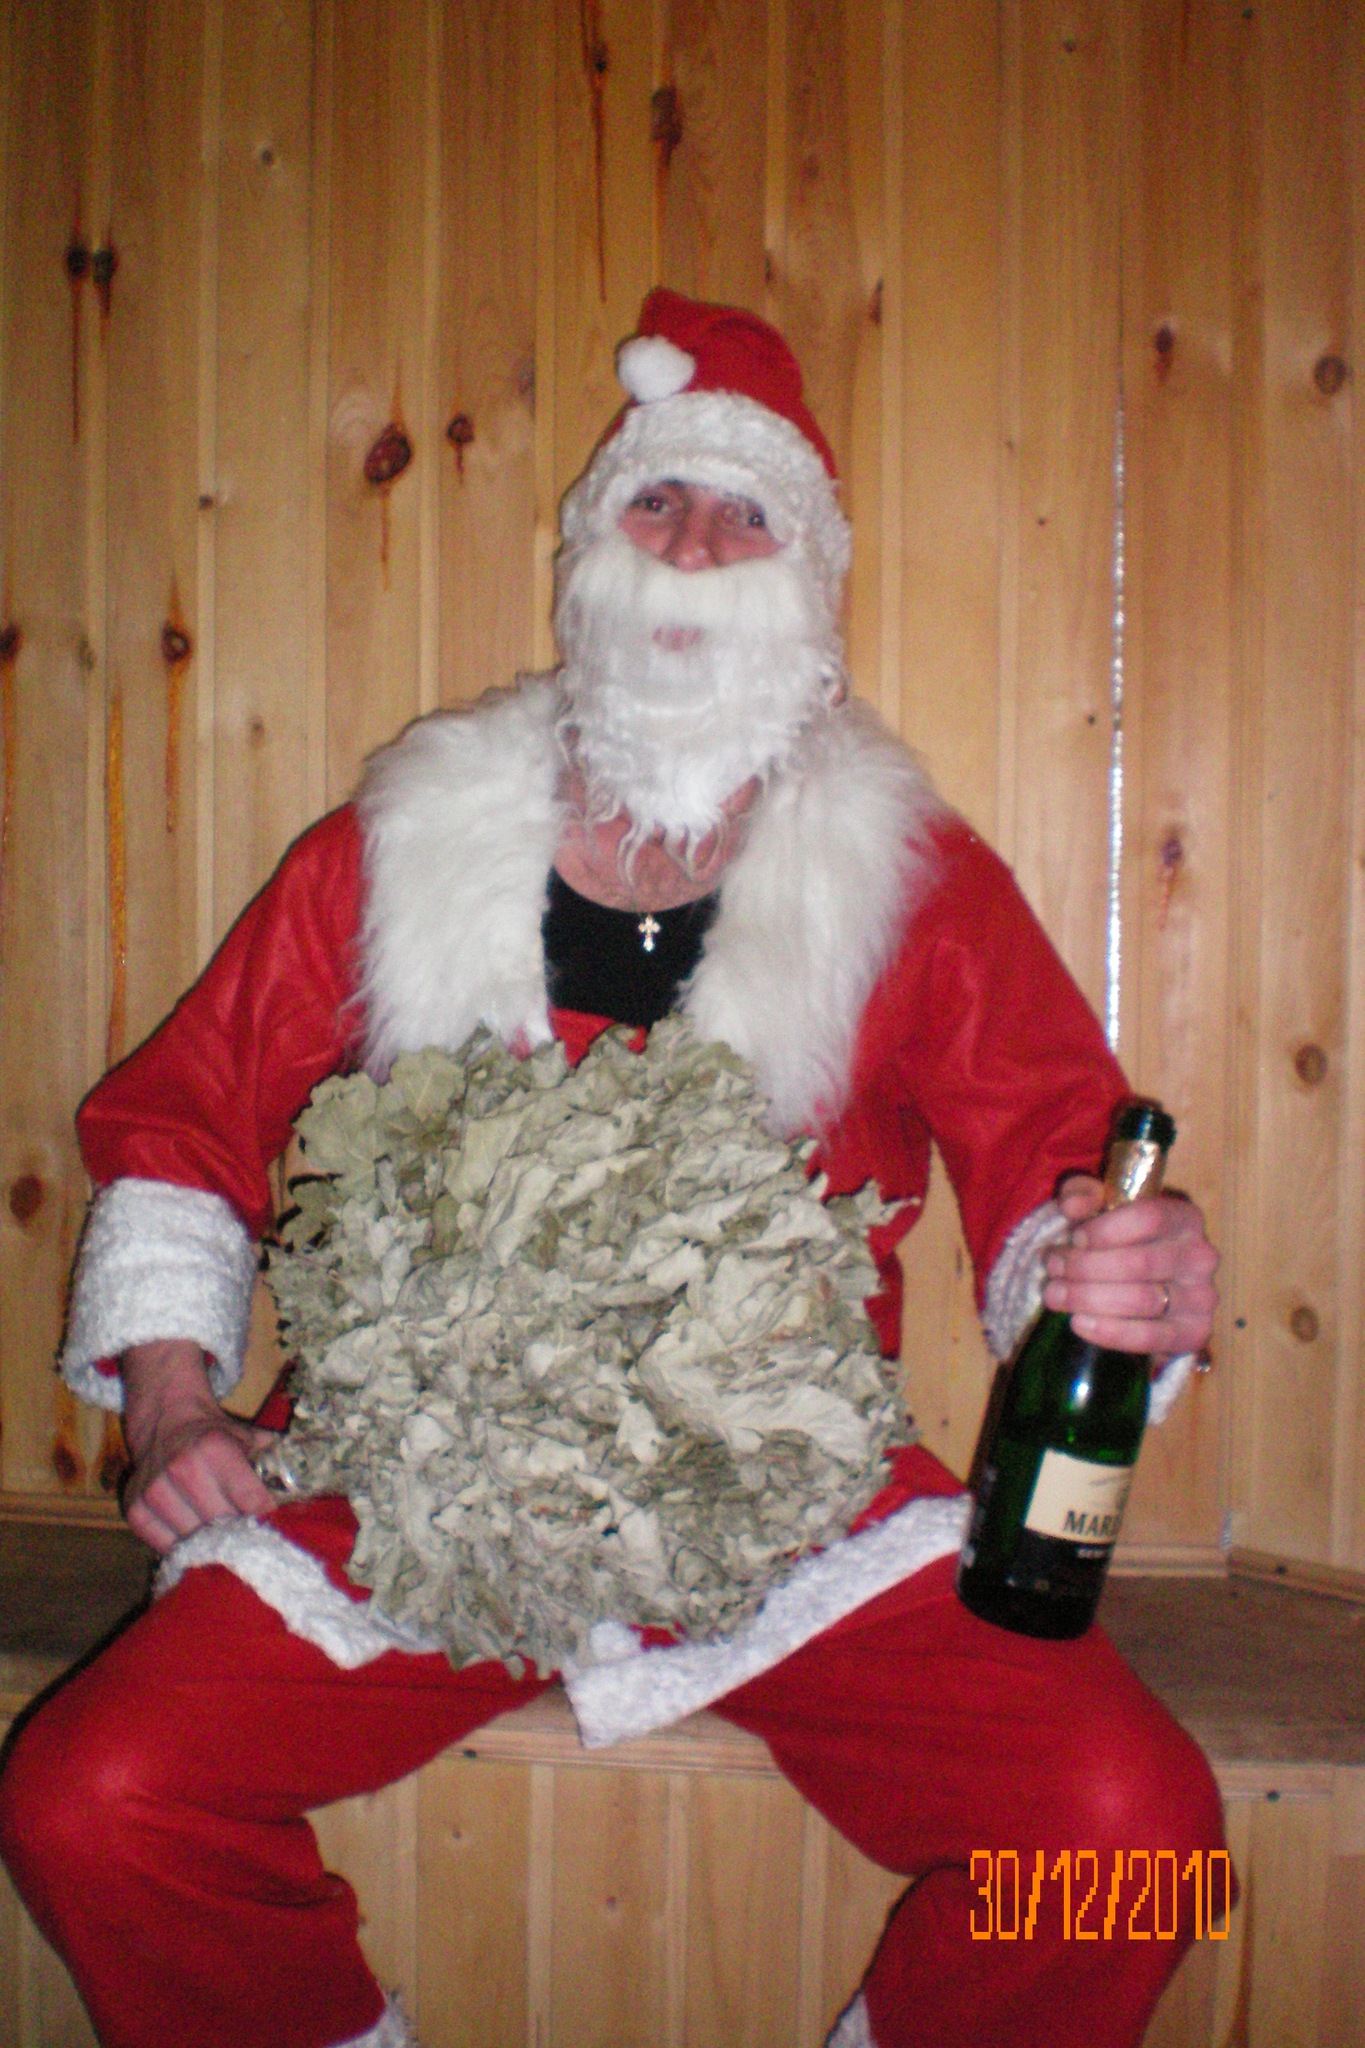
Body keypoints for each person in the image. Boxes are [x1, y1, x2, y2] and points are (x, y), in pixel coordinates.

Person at [0, 289, 1221, 2048]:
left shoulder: (911, 879)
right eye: (657, 501)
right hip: (409, 1479)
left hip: (784, 1501)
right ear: (587, 550)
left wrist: (1115, 1273)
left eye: (746, 516)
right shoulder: (396, 842)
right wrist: (177, 1404)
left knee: (1136, 1847)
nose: (694, 547)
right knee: (92, 1802)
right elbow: (185, 1127)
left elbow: (1058, 1163)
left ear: (810, 585)